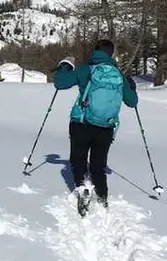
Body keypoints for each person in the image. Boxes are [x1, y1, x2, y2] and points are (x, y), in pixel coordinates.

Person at [53, 39, 138, 213]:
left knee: (78, 160)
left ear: (95, 51)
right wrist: (132, 87)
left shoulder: (86, 70)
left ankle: (83, 187)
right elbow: (132, 102)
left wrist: (65, 66)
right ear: (111, 54)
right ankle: (102, 197)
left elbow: (60, 83)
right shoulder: (118, 75)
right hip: (106, 127)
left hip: (82, 123)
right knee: (98, 165)